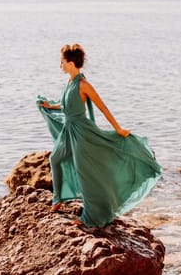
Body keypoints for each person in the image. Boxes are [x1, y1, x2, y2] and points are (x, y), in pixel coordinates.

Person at [37, 43, 162, 227]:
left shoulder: (83, 84)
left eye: (62, 61)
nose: (60, 65)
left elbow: (103, 107)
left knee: (84, 172)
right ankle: (58, 200)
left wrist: (118, 129)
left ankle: (90, 217)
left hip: (82, 133)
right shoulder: (69, 82)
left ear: (71, 63)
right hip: (68, 131)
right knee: (55, 159)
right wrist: (50, 106)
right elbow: (66, 106)